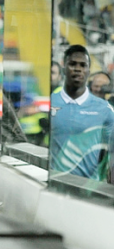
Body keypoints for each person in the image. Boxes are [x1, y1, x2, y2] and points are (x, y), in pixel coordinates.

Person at [50, 45, 114, 181]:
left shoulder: (104, 110)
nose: (78, 69)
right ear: (64, 69)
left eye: (83, 65)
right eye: (72, 64)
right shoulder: (50, 102)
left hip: (88, 193)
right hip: (55, 189)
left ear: (88, 71)